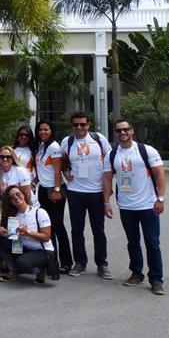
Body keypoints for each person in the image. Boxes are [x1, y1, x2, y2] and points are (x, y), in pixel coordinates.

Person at [102, 119, 166, 295]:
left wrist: (160, 199)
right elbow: (107, 179)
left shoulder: (146, 151)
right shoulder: (112, 154)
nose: (122, 133)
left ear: (132, 131)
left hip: (148, 205)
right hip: (126, 206)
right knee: (133, 242)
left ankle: (156, 280)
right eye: (118, 130)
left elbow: (160, 175)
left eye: (125, 129)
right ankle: (136, 273)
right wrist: (106, 202)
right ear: (115, 133)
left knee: (152, 243)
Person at [61, 111, 113, 279]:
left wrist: (108, 186)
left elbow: (110, 159)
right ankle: (80, 263)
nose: (79, 127)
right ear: (72, 126)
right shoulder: (67, 141)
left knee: (98, 230)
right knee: (77, 230)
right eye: (76, 125)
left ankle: (102, 264)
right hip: (75, 191)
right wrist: (65, 172)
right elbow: (62, 161)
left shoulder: (98, 139)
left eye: (82, 124)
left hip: (96, 192)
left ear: (88, 125)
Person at [0, 185, 55, 284]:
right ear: (9, 201)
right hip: (24, 247)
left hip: (41, 250)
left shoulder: (39, 212)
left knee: (22, 262)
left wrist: (28, 232)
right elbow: (12, 235)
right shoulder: (13, 215)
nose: (15, 197)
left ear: (24, 195)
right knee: (1, 241)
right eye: (11, 197)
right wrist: (4, 233)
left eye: (18, 194)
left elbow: (46, 237)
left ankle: (41, 269)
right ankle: (13, 272)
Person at [35, 120, 72, 274]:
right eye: (40, 130)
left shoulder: (54, 147)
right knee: (46, 226)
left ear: (51, 130)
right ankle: (52, 261)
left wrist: (57, 190)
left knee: (57, 226)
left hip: (55, 189)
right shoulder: (41, 146)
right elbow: (43, 169)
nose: (43, 132)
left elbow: (57, 170)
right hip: (43, 189)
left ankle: (66, 262)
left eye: (46, 129)